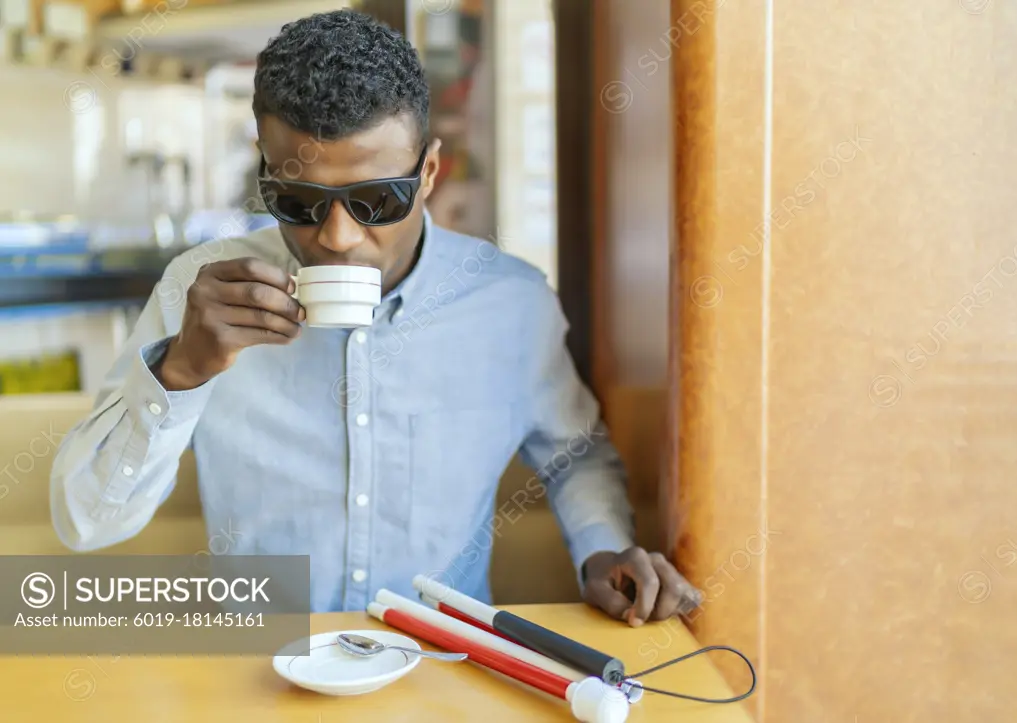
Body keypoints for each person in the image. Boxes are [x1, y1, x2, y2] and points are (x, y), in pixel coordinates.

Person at [49, 9, 702, 624]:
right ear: (264, 172)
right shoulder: (196, 294)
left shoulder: (510, 305)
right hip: (261, 666)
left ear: (428, 174)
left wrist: (603, 548)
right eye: (298, 200)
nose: (336, 237)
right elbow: (85, 522)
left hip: (444, 660)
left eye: (376, 199)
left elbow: (573, 454)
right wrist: (181, 369)